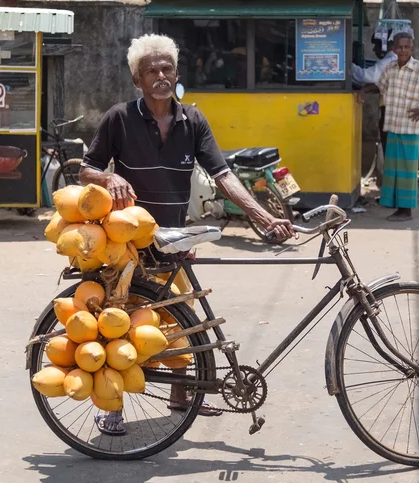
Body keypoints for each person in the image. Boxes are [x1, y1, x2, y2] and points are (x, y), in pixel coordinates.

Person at [79, 33, 295, 435]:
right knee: (117, 327)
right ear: (137, 80)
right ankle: (111, 408)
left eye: (167, 69)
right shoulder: (119, 118)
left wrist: (262, 216)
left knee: (182, 325)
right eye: (152, 71)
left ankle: (181, 396)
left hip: (172, 238)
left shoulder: (192, 120)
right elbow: (85, 169)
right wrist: (110, 177)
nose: (161, 76)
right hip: (124, 244)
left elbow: (224, 175)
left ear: (176, 73)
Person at [358, 32, 419, 221]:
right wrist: (365, 90)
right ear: (394, 49)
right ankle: (394, 204)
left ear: (412, 48)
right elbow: (380, 86)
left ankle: (405, 211)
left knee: (407, 172)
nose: (403, 51)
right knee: (393, 169)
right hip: (393, 126)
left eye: (407, 47)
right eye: (400, 47)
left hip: (410, 128)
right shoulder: (390, 68)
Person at [352, 36, 397, 153]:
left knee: (389, 144)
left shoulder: (389, 61)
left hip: (391, 110)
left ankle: (391, 170)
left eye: (376, 46)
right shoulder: (391, 60)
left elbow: (367, 77)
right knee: (388, 143)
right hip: (390, 109)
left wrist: (346, 64)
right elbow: (380, 84)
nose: (374, 50)